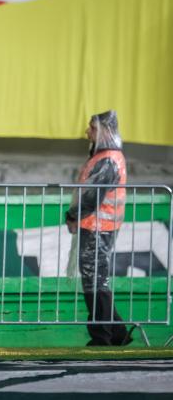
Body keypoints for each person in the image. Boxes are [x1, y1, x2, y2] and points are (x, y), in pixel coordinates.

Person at [66, 110, 131, 347]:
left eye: (91, 128)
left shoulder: (107, 159)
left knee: (95, 282)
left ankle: (102, 336)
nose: (86, 133)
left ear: (103, 131)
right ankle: (118, 333)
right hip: (97, 226)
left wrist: (73, 214)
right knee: (96, 280)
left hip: (98, 227)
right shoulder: (105, 156)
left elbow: (92, 196)